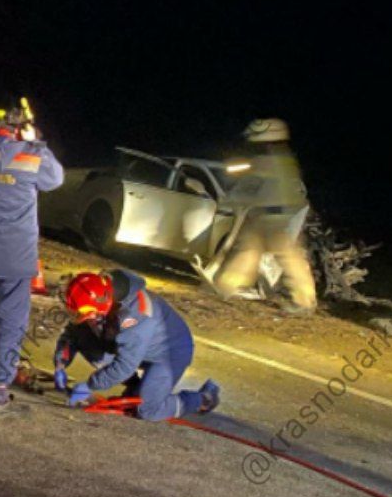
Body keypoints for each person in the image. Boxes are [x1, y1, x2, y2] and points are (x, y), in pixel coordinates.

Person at [0, 106, 64, 420]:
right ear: (17, 129)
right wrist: (38, 143)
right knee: (11, 324)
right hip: (15, 257)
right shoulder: (29, 156)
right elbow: (55, 179)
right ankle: (0, 393)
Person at [55, 270, 220, 421]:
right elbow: (73, 334)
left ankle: (203, 399)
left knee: (147, 410)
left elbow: (124, 366)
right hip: (138, 346)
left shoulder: (136, 317)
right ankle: (136, 387)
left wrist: (90, 385)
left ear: (100, 306)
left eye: (83, 313)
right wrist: (60, 364)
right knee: (85, 338)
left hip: (170, 352)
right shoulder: (102, 297)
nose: (78, 317)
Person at [214, 118, 316, 314]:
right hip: (274, 215)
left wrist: (229, 201)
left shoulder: (266, 162)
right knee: (249, 249)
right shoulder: (284, 160)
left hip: (271, 216)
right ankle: (226, 287)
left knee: (285, 255)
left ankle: (304, 301)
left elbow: (247, 187)